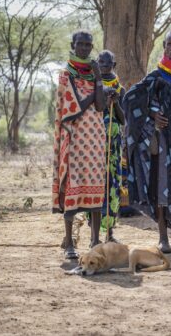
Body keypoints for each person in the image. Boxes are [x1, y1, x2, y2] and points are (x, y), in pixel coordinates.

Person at [124, 30, 171, 252]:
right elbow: (131, 99)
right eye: (170, 44)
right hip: (163, 141)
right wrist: (151, 114)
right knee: (162, 186)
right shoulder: (156, 76)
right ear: (164, 46)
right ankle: (163, 238)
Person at [52, 30, 106, 259]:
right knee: (73, 186)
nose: (85, 48)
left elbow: (101, 106)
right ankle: (70, 245)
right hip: (74, 139)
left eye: (88, 44)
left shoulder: (94, 74)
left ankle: (95, 241)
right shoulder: (67, 74)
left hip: (95, 139)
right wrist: (94, 90)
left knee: (95, 188)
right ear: (72, 45)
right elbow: (74, 109)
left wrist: (99, 79)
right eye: (80, 44)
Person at [85, 50, 125, 242]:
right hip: (94, 143)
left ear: (114, 65)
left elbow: (124, 119)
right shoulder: (91, 86)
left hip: (114, 147)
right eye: (100, 62)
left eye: (108, 63)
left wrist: (115, 103)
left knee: (113, 186)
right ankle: (94, 236)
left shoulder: (119, 88)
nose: (103, 66)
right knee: (94, 186)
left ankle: (109, 233)